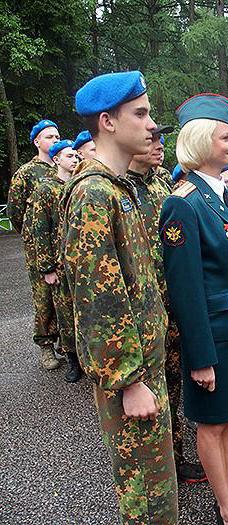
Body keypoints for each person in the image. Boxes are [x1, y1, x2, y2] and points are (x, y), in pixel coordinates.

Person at [61, 71, 178, 524]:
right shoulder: (93, 195)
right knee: (148, 498)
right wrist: (129, 380)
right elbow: (97, 301)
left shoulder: (120, 188)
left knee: (158, 488)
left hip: (145, 364)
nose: (152, 126)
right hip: (131, 375)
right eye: (141, 114)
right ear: (107, 122)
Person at [160, 92, 228, 525]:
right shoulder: (182, 203)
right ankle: (227, 506)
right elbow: (185, 291)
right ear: (203, 141)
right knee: (212, 423)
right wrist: (200, 356)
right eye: (227, 136)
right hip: (212, 335)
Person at [125, 126, 207, 485]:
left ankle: (174, 457)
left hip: (172, 308)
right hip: (140, 315)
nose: (159, 145)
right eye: (153, 139)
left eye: (162, 139)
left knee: (172, 385)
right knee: (145, 398)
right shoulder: (116, 187)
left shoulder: (163, 187)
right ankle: (152, 472)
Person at [8, 119, 61, 370]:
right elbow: (15, 211)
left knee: (65, 294)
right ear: (37, 141)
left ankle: (66, 342)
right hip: (39, 246)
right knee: (44, 296)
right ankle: (45, 345)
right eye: (49, 137)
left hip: (62, 242)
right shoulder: (27, 173)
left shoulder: (65, 164)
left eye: (57, 136)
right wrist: (31, 234)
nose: (54, 140)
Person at [31, 139, 80, 382]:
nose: (74, 160)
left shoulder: (80, 185)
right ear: (57, 160)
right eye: (69, 156)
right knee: (65, 312)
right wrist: (47, 267)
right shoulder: (46, 189)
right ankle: (72, 359)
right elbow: (39, 230)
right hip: (59, 262)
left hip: (80, 260)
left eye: (76, 156)